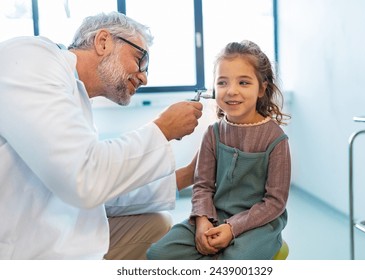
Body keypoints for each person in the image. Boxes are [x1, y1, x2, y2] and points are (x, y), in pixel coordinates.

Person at [0, 11, 202, 260]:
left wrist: (189, 175)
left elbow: (104, 191)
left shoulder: (76, 100)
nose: (144, 77)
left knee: (157, 222)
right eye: (141, 60)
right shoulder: (31, 58)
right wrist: (162, 129)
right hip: (21, 250)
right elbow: (84, 178)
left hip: (53, 228)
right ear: (103, 42)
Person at [147, 40, 291, 260]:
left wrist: (232, 228)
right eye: (222, 83)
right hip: (215, 215)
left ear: (262, 88)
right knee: (158, 253)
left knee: (233, 260)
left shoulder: (276, 139)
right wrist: (203, 220)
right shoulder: (213, 133)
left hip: (259, 224)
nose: (231, 91)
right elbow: (203, 185)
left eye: (244, 82)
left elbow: (275, 202)